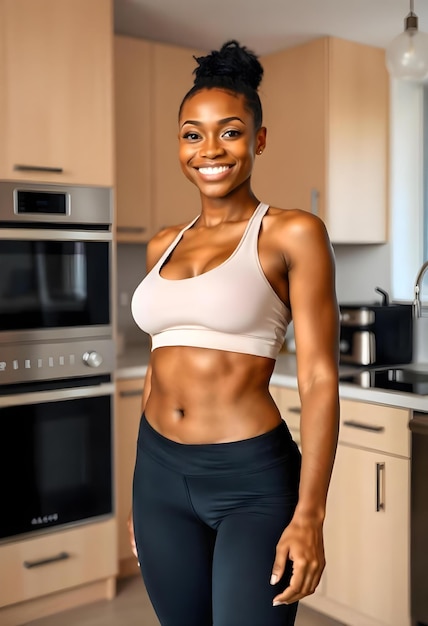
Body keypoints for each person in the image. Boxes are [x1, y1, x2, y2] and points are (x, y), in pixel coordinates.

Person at [129, 39, 340, 626]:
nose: (210, 150)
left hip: (251, 482)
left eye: (231, 131)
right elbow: (157, 366)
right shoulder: (160, 243)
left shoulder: (292, 233)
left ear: (259, 139)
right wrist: (141, 491)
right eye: (192, 134)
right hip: (159, 476)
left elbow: (321, 377)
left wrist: (310, 514)